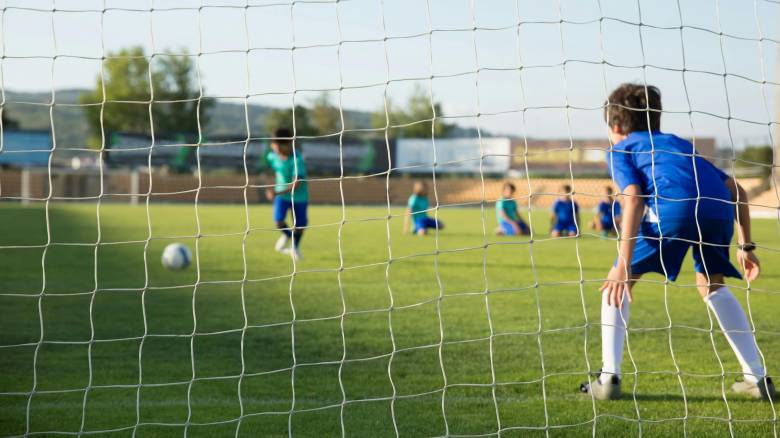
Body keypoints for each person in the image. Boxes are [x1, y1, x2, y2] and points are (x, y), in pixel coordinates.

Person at [580, 83, 774, 401]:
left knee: (616, 283)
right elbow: (736, 190)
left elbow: (633, 197)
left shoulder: (621, 149)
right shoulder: (679, 144)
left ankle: (609, 377)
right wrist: (746, 246)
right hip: (717, 210)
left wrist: (622, 265)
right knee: (713, 285)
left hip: (675, 210)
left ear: (614, 126)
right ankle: (757, 377)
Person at [264, 127, 308, 261]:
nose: (275, 148)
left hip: (299, 196)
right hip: (282, 196)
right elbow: (269, 167)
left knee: (300, 225)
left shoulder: (297, 159)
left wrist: (275, 192)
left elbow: (296, 184)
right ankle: (289, 237)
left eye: (278, 146)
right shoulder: (272, 156)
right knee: (278, 221)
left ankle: (295, 247)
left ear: (288, 144)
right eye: (273, 145)